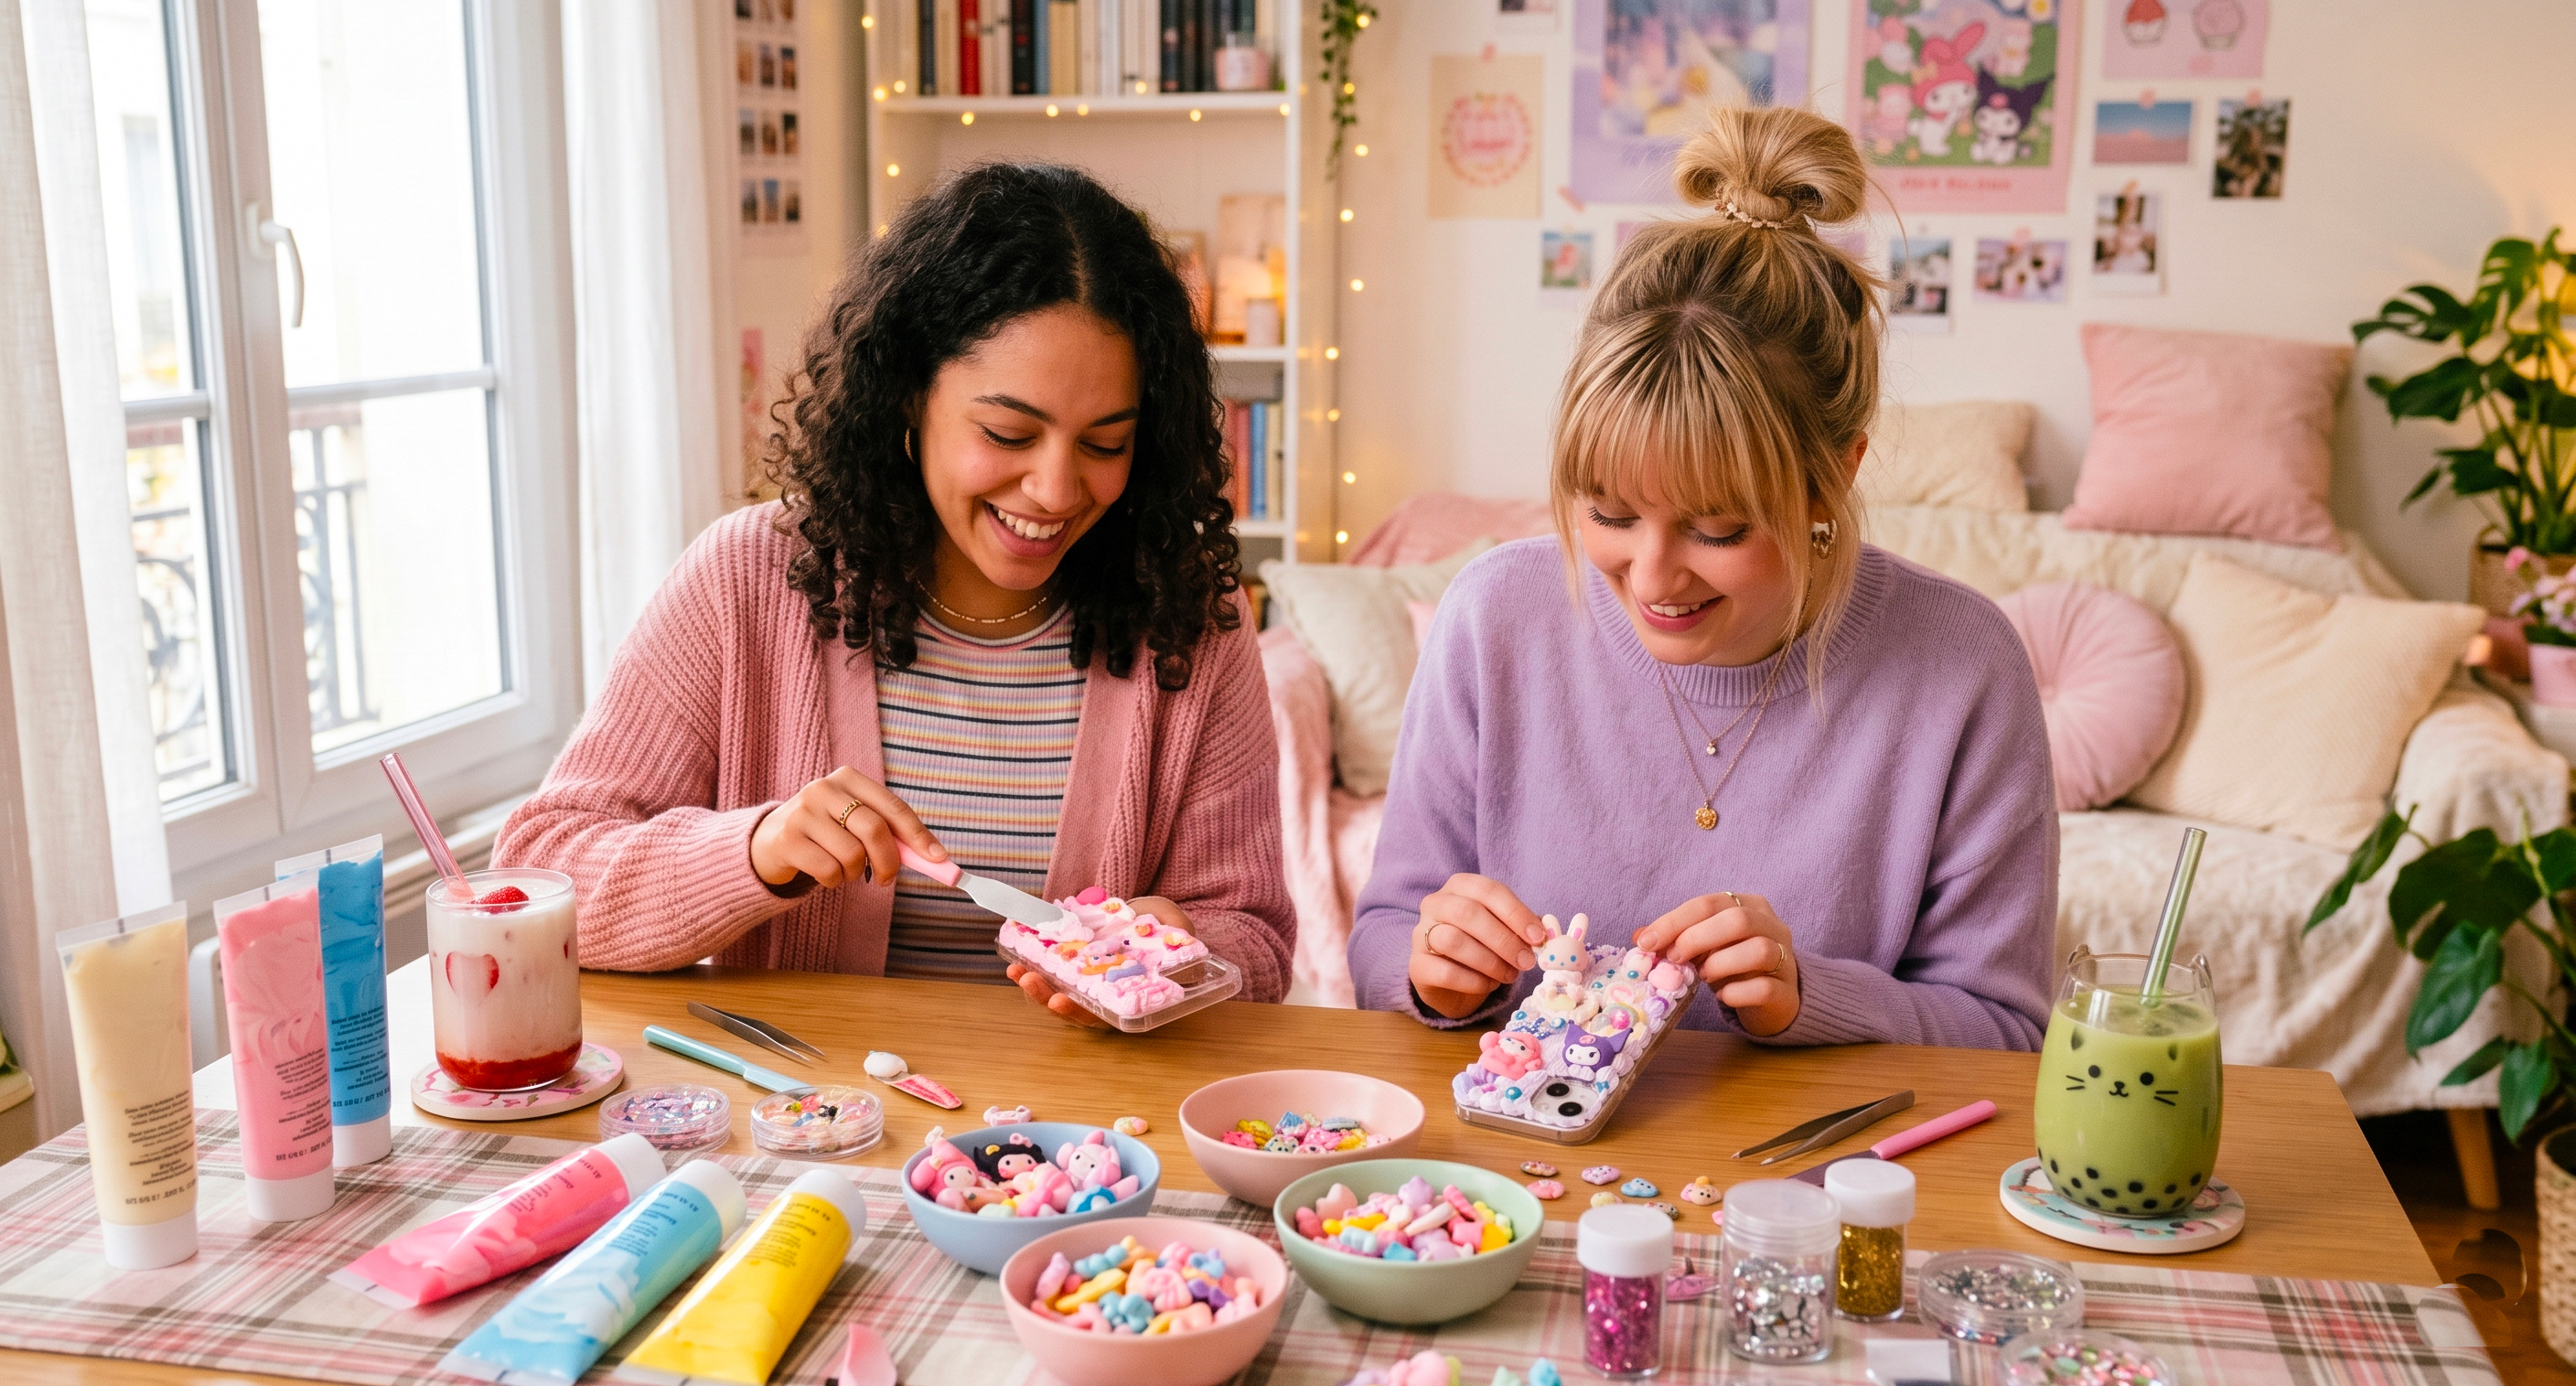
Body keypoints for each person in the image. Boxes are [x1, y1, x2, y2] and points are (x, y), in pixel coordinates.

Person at [499, 162, 1293, 1023]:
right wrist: (755, 850)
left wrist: (1184, 948)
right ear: (909, 396)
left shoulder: (1191, 617)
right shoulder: (748, 580)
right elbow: (543, 872)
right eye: (1007, 433)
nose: (1058, 490)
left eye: (1106, 444)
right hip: (807, 1123)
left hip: (1092, 1143)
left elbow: (1254, 935)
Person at [1347, 106, 2055, 1050]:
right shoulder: (1492, 617)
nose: (1649, 577)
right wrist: (1431, 971)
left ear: (1832, 475)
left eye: (1715, 527)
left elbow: (2007, 1030)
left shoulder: (1961, 665)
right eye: (1605, 513)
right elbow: (1379, 943)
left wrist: (1811, 997)